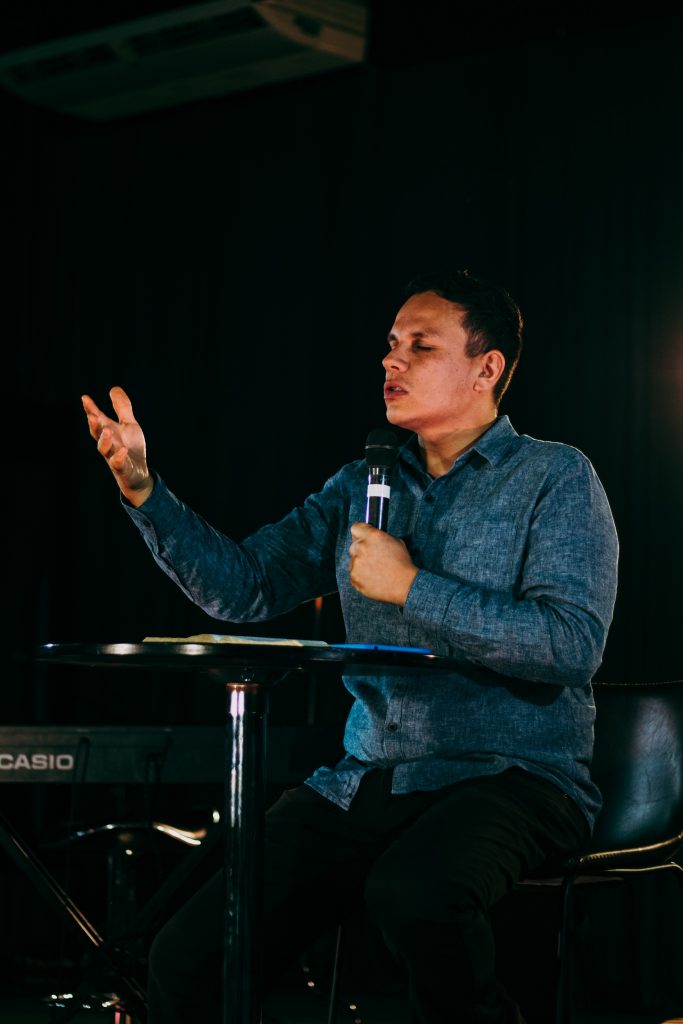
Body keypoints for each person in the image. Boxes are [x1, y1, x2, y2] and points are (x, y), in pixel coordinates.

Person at [82, 269, 619, 1024]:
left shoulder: (554, 477)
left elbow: (568, 646)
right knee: (188, 956)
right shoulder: (359, 482)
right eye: (390, 346)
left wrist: (411, 588)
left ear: (486, 367)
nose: (389, 362)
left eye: (419, 346)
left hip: (513, 775)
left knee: (414, 895)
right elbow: (244, 588)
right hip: (368, 776)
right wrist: (145, 491)